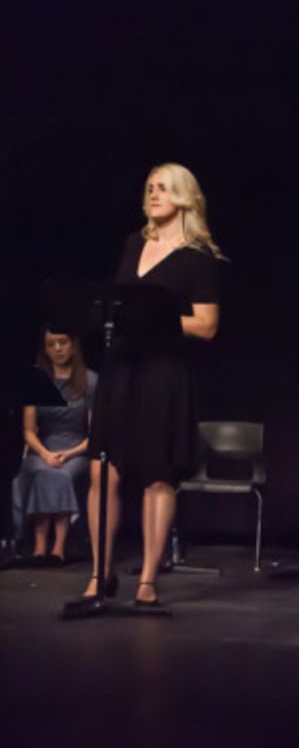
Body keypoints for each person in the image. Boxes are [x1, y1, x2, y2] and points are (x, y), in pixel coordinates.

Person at [84, 163, 223, 606]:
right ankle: (98, 574)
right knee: (101, 469)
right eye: (149, 188)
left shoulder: (199, 258)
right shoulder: (134, 243)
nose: (153, 195)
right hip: (121, 367)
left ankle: (147, 580)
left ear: (184, 197)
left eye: (162, 188)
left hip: (163, 374)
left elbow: (206, 325)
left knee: (157, 474)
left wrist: (158, 320)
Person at [11, 329, 97, 565]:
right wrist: (46, 453)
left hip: (77, 448)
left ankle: (59, 546)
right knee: (40, 471)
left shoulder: (89, 381)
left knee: (62, 475)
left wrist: (68, 453)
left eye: (62, 342)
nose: (57, 349)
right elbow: (28, 430)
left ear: (73, 345)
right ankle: (39, 546)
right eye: (51, 344)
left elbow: (94, 433)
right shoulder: (36, 380)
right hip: (44, 447)